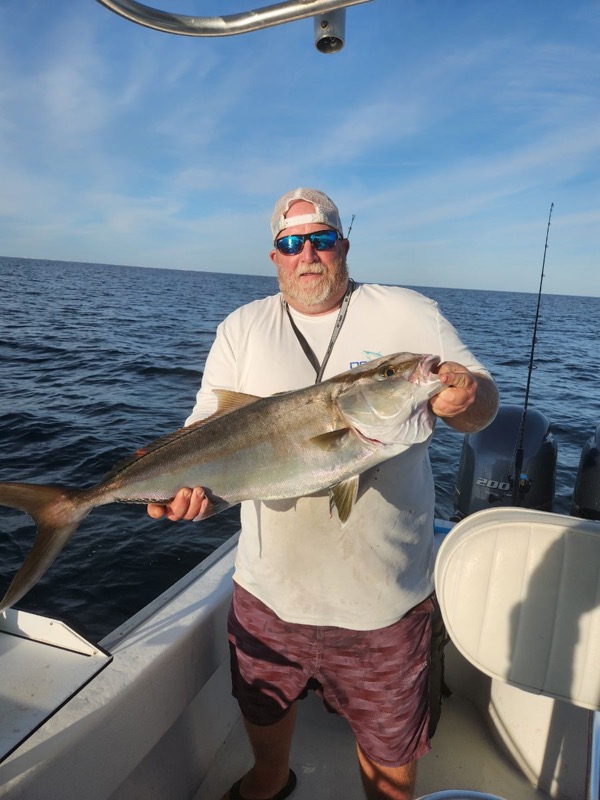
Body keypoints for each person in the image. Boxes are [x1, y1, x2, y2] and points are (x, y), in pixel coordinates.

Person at [147, 188, 499, 800]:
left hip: (383, 601)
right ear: (274, 255)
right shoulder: (242, 328)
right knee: (262, 711)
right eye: (291, 242)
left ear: (343, 246)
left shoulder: (408, 314)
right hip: (268, 592)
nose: (306, 253)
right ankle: (268, 780)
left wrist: (467, 399)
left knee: (389, 756)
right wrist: (173, 492)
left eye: (321, 238)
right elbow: (199, 435)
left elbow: (482, 403)